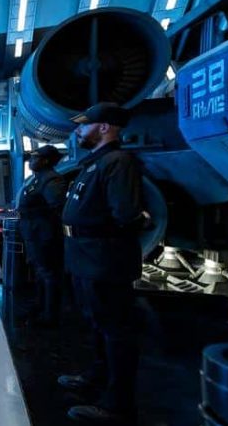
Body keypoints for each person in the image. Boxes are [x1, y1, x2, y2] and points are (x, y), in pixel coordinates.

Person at [58, 103, 149, 423]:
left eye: (85, 125)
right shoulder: (95, 162)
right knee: (98, 324)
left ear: (105, 127)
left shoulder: (118, 162)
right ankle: (96, 378)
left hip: (105, 259)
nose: (79, 130)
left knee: (115, 331)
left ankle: (117, 406)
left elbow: (125, 214)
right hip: (86, 256)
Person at [17, 145, 67, 326]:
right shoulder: (37, 179)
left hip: (44, 234)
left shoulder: (52, 180)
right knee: (39, 272)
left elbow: (55, 208)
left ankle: (50, 315)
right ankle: (39, 306)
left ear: (45, 160)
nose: (31, 160)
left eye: (35, 157)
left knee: (48, 273)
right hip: (33, 232)